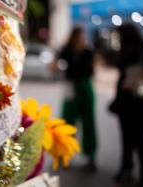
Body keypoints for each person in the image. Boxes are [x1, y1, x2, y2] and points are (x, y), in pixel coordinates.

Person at [109, 23, 143, 186]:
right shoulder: (126, 48)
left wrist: (134, 81)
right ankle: (127, 168)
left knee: (140, 139)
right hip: (125, 100)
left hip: (139, 100)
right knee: (126, 137)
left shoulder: (142, 49)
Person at [55, 26, 97, 171]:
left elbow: (92, 70)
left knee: (88, 123)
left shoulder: (88, 51)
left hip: (85, 87)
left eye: (82, 36)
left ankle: (91, 157)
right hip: (71, 88)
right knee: (67, 123)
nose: (80, 39)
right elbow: (53, 65)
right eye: (78, 36)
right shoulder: (66, 50)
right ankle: (64, 155)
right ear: (72, 37)